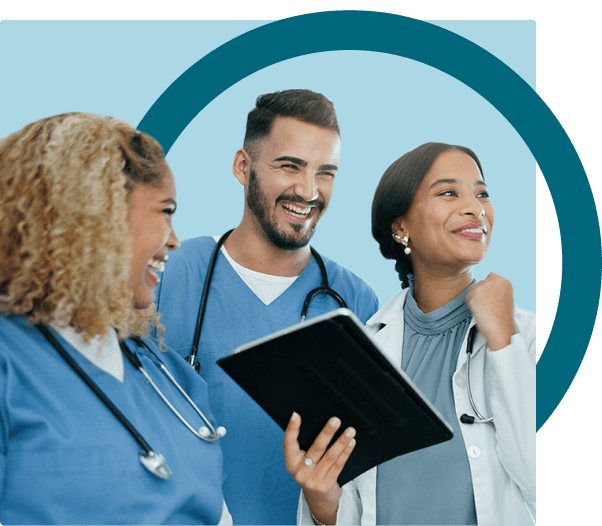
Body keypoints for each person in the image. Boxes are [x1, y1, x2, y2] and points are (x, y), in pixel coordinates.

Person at [155, 89, 380, 524]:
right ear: (244, 167)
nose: (309, 190)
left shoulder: (355, 304)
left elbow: (368, 490)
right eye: (290, 166)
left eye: (326, 172)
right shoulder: (171, 274)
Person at [284, 142, 536, 525]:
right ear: (401, 227)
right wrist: (323, 502)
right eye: (449, 192)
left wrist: (503, 339)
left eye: (482, 193)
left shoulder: (525, 337)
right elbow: (355, 509)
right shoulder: (364, 352)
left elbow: (543, 480)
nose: (475, 207)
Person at [0, 113, 231, 525]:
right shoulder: (11, 364)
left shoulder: (170, 375)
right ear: (96, 212)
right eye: (165, 211)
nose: (175, 240)